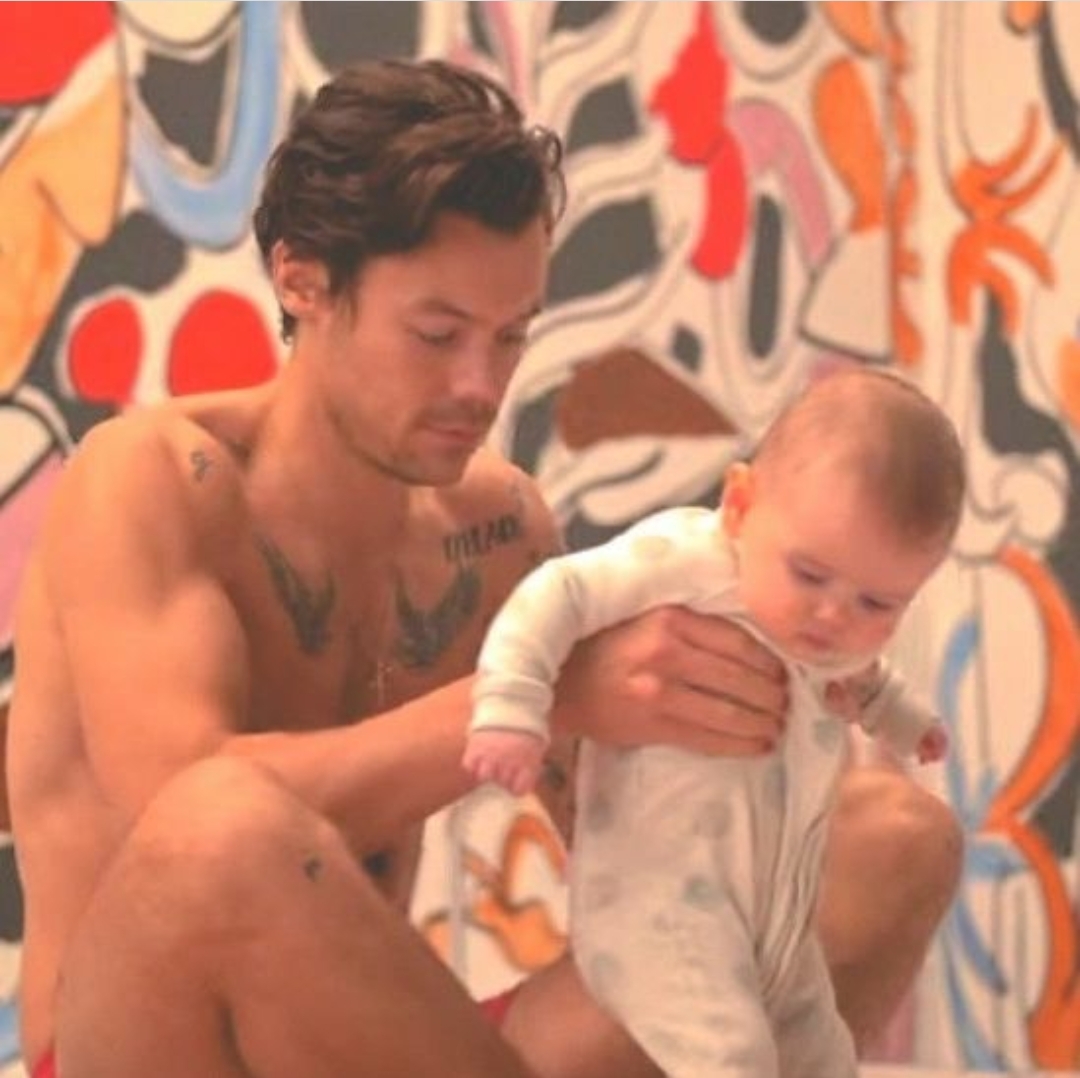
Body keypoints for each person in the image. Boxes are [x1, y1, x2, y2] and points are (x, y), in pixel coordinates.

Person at [6, 57, 960, 1078]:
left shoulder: (498, 528)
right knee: (221, 823)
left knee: (890, 840)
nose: (480, 383)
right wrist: (552, 693)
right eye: (437, 333)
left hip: (373, 1050)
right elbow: (172, 811)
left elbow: (632, 831)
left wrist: (753, 700)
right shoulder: (156, 478)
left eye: (510, 337)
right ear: (302, 280)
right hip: (155, 1050)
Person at [464, 367, 962, 1077]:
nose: (833, 616)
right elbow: (560, 592)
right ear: (739, 506)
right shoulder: (687, 561)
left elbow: (865, 678)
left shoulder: (827, 626)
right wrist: (513, 705)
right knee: (730, 1055)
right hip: (661, 914)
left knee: (821, 1051)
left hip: (774, 917)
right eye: (810, 575)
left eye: (878, 604)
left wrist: (907, 722)